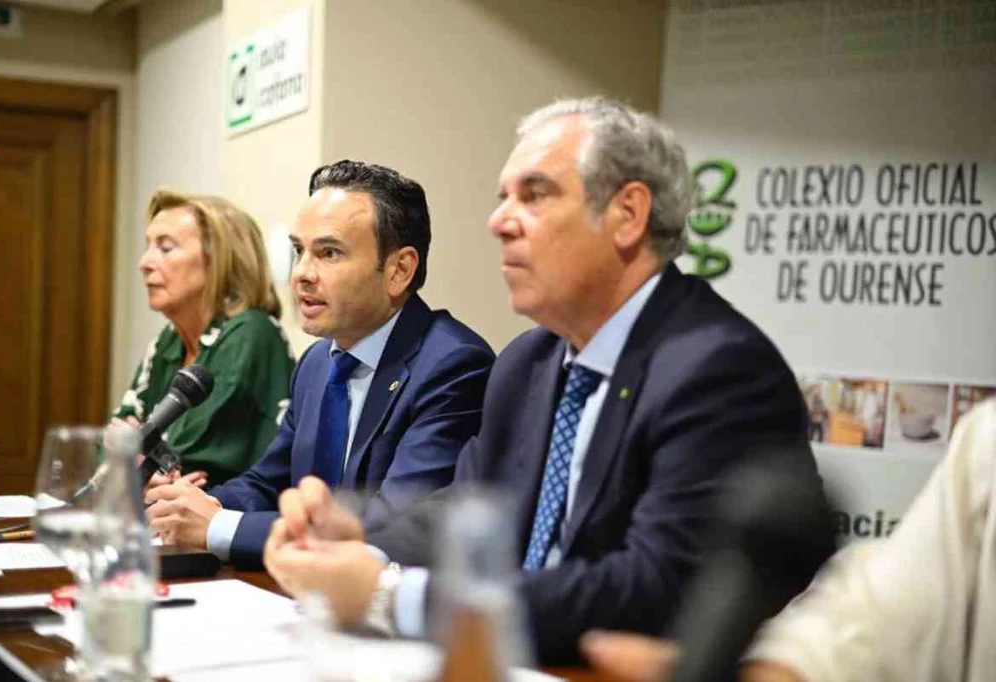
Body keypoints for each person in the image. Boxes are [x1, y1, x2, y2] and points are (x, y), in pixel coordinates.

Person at [260, 97, 817, 665]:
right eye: (504, 197)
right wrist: (354, 534)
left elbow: (656, 588)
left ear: (628, 214)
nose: (498, 221)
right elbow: (465, 510)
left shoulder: (719, 370)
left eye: (535, 194)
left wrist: (394, 596)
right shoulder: (529, 361)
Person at [145, 161, 495, 567]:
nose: (301, 275)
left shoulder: (453, 365)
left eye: (329, 253)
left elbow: (390, 524)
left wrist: (220, 526)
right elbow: (267, 484)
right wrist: (186, 506)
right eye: (299, 251)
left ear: (399, 270)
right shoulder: (316, 362)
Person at [582, 398, 996, 682]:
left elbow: (646, 572)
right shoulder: (986, 443)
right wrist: (750, 669)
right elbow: (874, 632)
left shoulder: (711, 356)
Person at [112, 189, 294, 488]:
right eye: (148, 246)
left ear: (219, 260)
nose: (144, 262)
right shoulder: (167, 342)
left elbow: (188, 463)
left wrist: (135, 461)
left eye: (166, 248)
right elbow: (109, 449)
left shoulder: (251, 334)